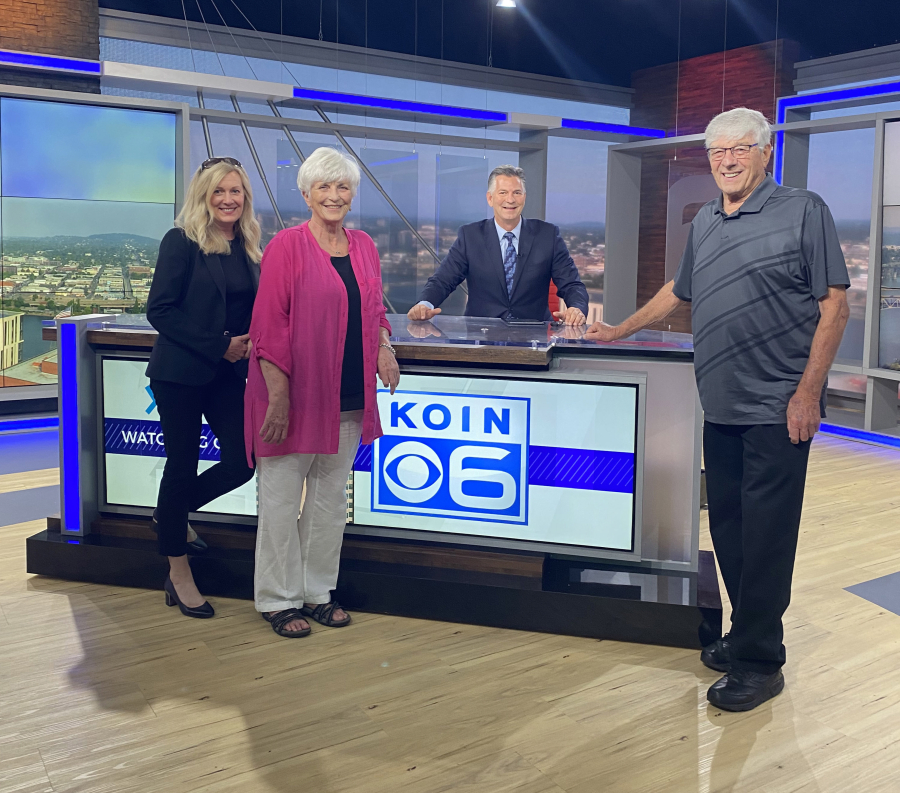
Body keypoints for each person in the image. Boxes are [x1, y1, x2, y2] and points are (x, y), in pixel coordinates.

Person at [586, 107, 850, 711]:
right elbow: (677, 293)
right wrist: (620, 329)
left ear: (765, 154)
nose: (727, 160)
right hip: (722, 405)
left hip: (779, 409)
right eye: (716, 152)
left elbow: (834, 306)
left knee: (767, 538)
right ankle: (744, 634)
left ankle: (762, 662)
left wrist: (809, 392)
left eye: (740, 149)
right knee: (729, 529)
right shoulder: (706, 219)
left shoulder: (805, 211)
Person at [245, 147, 400, 638]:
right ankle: (277, 598)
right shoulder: (286, 247)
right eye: (324, 187)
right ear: (306, 194)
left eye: (343, 187)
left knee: (330, 502)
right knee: (280, 501)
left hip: (350, 397)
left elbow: (374, 311)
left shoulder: (365, 246)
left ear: (352, 194)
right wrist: (279, 399)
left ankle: (316, 593)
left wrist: (384, 348)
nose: (334, 196)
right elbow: (268, 328)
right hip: (293, 397)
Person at [146, 157, 261, 619]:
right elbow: (161, 310)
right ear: (203, 196)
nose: (228, 199)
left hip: (227, 374)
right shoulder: (182, 241)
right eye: (219, 191)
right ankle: (178, 573)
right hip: (182, 372)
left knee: (241, 461)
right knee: (182, 464)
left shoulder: (249, 244)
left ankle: (170, 517)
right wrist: (221, 345)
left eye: (235, 191)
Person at [407, 165, 589, 325]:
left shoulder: (547, 235)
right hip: (481, 335)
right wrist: (425, 304)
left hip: (535, 338)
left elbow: (572, 284)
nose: (510, 200)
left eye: (516, 193)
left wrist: (576, 308)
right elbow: (443, 280)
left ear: (524, 197)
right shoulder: (470, 236)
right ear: (490, 198)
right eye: (503, 193)